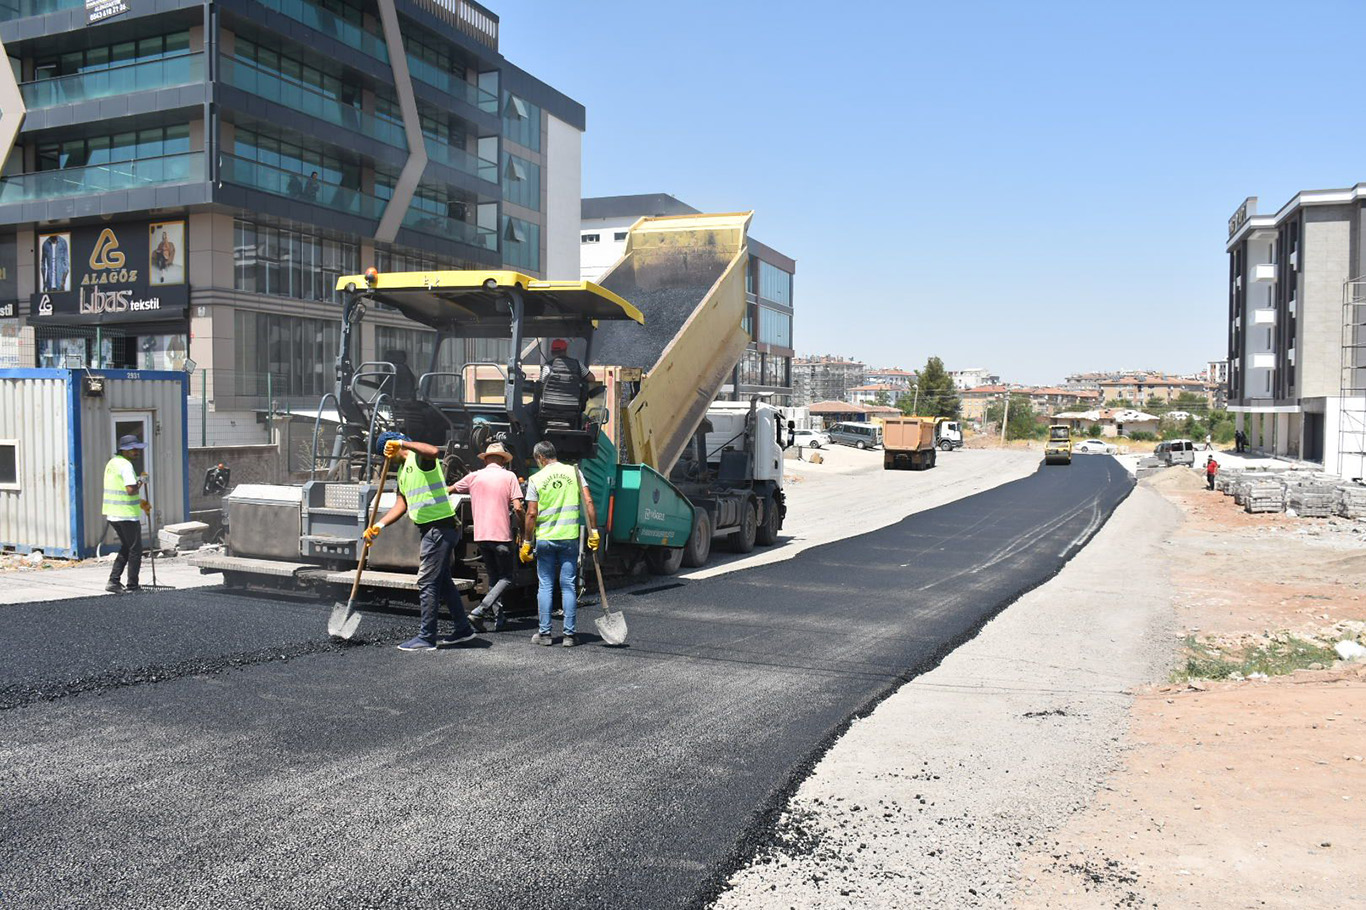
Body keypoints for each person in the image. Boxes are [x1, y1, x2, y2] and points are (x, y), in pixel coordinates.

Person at [364, 432, 480, 652]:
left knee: (427, 582)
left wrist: (402, 442)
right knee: (443, 581)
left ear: (393, 446)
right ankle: (463, 629)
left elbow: (434, 451)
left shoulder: (418, 459)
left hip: (439, 527)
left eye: (387, 454)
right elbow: (401, 504)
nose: (386, 459)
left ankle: (426, 637)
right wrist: (379, 526)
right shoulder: (402, 471)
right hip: (434, 528)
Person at [521, 441, 598, 647]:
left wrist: (527, 542)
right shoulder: (574, 472)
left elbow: (531, 513)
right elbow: (588, 502)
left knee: (545, 585)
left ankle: (545, 634)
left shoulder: (536, 478)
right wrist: (595, 531)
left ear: (540, 458)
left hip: (546, 539)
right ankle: (569, 636)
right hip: (569, 538)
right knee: (568, 586)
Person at [450, 441, 523, 633]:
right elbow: (517, 507)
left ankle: (500, 619)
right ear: (502, 460)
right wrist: (524, 528)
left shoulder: (474, 476)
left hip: (481, 536)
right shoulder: (509, 476)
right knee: (506, 578)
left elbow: (449, 489)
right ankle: (479, 611)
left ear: (486, 459)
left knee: (493, 578)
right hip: (501, 535)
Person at [104, 435, 150, 593]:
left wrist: (141, 502)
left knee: (126, 547)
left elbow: (119, 491)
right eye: (133, 449)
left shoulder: (112, 463)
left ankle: (113, 581)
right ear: (124, 450)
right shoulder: (126, 465)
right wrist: (142, 482)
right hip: (126, 515)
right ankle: (133, 585)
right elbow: (130, 491)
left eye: (138, 448)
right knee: (136, 549)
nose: (137, 451)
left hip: (113, 514)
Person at [538, 338, 593, 430]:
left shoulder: (547, 366)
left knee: (527, 411)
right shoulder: (577, 364)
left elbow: (541, 385)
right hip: (573, 410)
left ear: (552, 352)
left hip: (548, 409)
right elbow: (592, 378)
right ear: (566, 351)